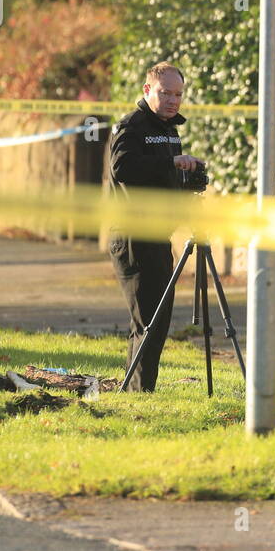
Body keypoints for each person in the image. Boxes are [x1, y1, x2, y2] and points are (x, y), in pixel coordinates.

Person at [107, 62, 205, 391]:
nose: (173, 100)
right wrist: (171, 162)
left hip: (158, 235)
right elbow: (122, 168)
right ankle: (138, 392)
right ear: (148, 90)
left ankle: (137, 389)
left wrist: (185, 179)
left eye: (178, 94)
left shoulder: (169, 130)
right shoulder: (131, 126)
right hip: (133, 236)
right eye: (165, 93)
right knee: (148, 320)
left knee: (156, 320)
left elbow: (163, 180)